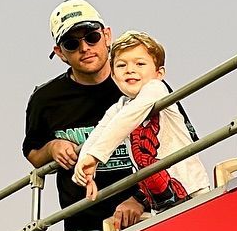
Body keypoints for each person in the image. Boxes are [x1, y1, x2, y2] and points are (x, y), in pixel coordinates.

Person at [23, 0, 146, 231]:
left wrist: (140, 199)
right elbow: (33, 152)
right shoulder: (46, 99)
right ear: (59, 52)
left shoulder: (138, 81)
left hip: (146, 211)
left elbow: (177, 143)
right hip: (84, 224)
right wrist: (53, 148)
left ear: (107, 36)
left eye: (91, 37)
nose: (85, 48)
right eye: (72, 43)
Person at [74, 32, 211, 216]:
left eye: (140, 64)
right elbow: (102, 130)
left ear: (159, 73)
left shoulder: (156, 89)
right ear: (113, 76)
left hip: (193, 192)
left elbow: (127, 119)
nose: (130, 70)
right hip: (160, 205)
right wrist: (84, 164)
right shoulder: (120, 106)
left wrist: (96, 156)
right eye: (121, 65)